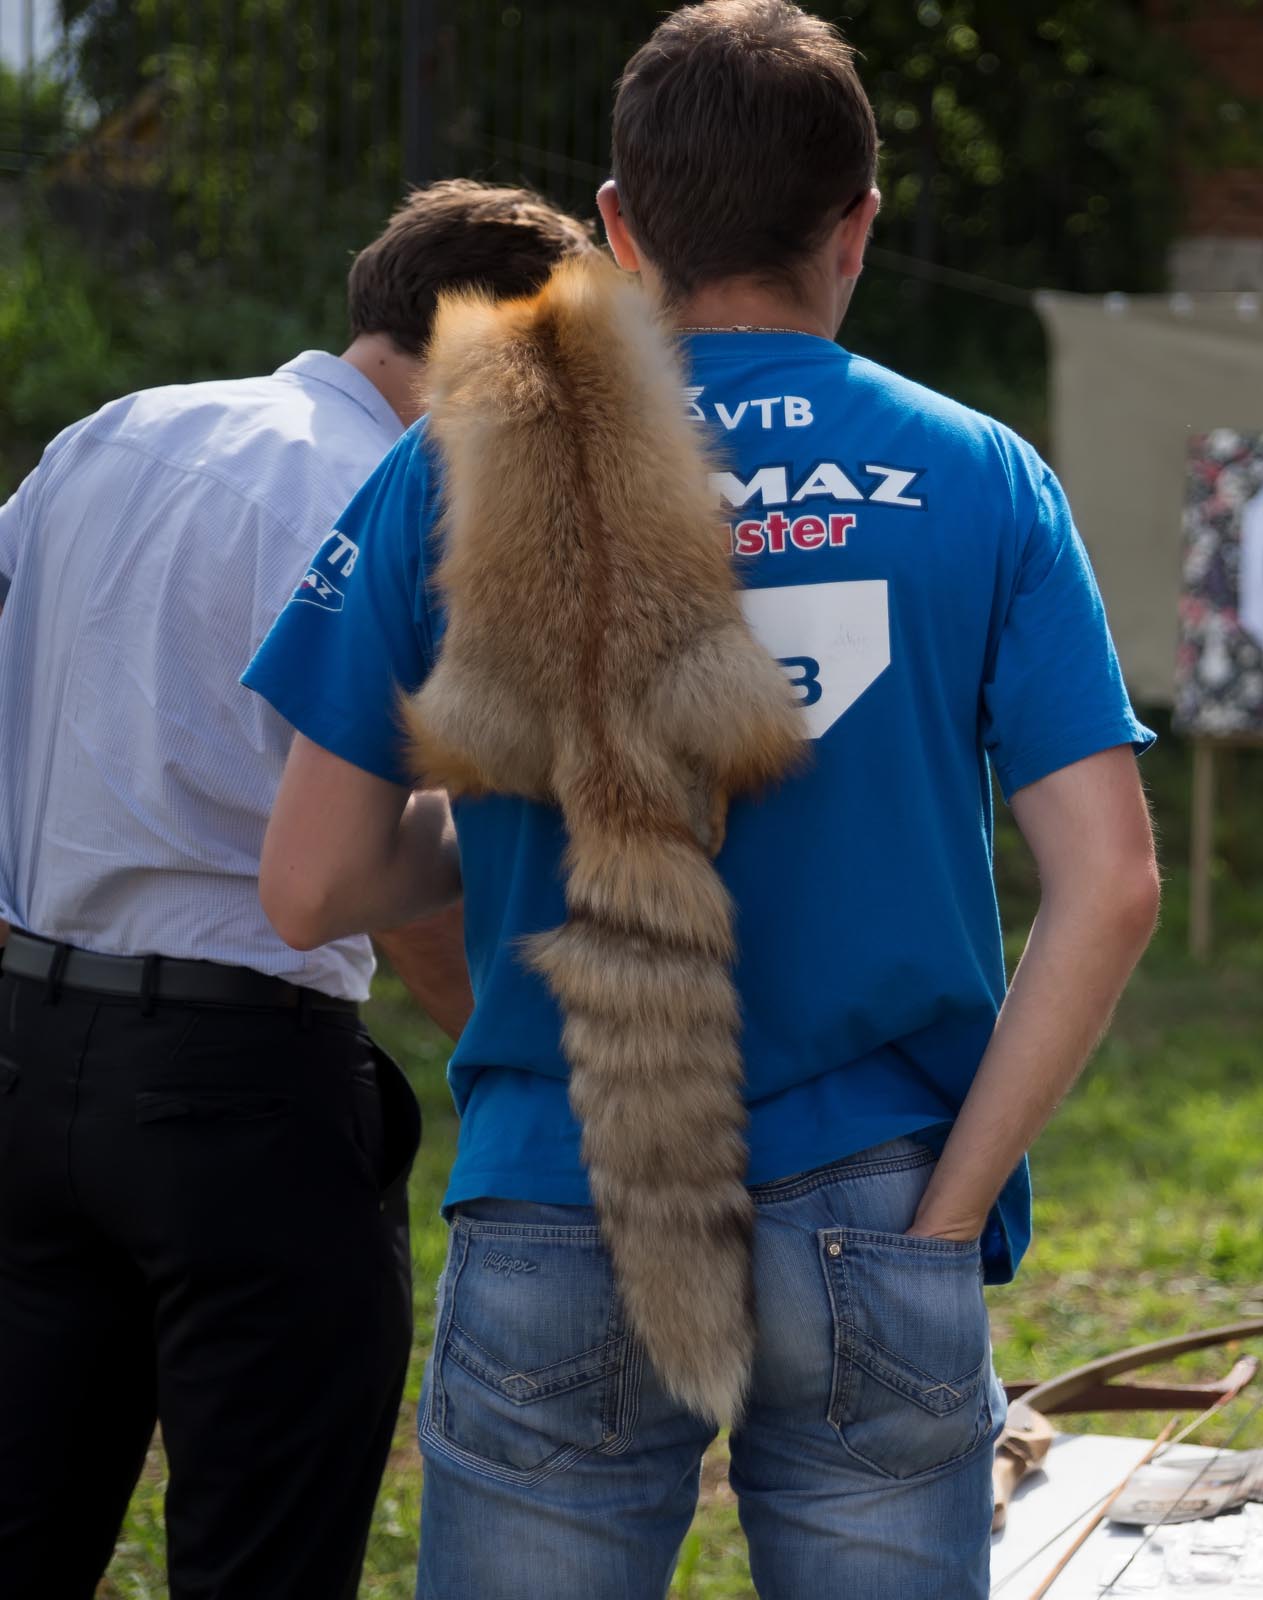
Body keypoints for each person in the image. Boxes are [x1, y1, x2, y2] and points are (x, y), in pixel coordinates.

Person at [244, 4, 1161, 1595]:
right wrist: (944, 1214)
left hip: (560, 1185)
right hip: (882, 1200)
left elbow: (311, 888)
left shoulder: (457, 458)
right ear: (860, 223)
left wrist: (523, 809)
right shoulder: (986, 473)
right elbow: (1115, 886)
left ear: (614, 228)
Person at [0, 181, 596, 1597]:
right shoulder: (395, 508)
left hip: (25, 1057)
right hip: (241, 1093)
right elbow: (383, 877)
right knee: (263, 1557)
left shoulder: (113, 431)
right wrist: (520, 1061)